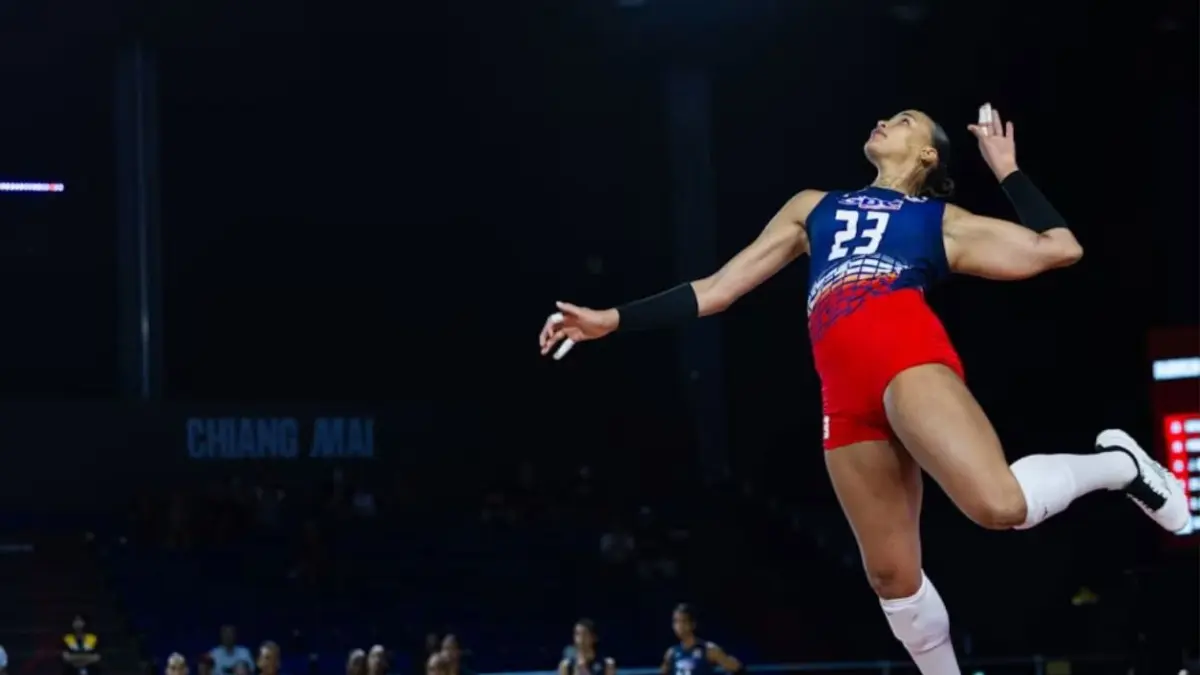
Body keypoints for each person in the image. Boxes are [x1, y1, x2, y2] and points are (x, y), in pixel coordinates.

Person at [538, 105, 1190, 674]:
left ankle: (1120, 464)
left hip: (906, 359)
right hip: (843, 396)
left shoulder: (940, 220)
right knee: (891, 578)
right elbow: (718, 289)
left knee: (999, 506)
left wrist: (1007, 169)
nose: (884, 120)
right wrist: (613, 318)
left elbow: (1060, 248)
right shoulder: (811, 207)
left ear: (928, 154)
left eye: (903, 120)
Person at [658, 605, 741, 675]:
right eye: (676, 621)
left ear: (692, 624)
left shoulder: (708, 649)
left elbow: (736, 668)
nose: (679, 626)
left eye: (683, 621)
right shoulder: (671, 653)